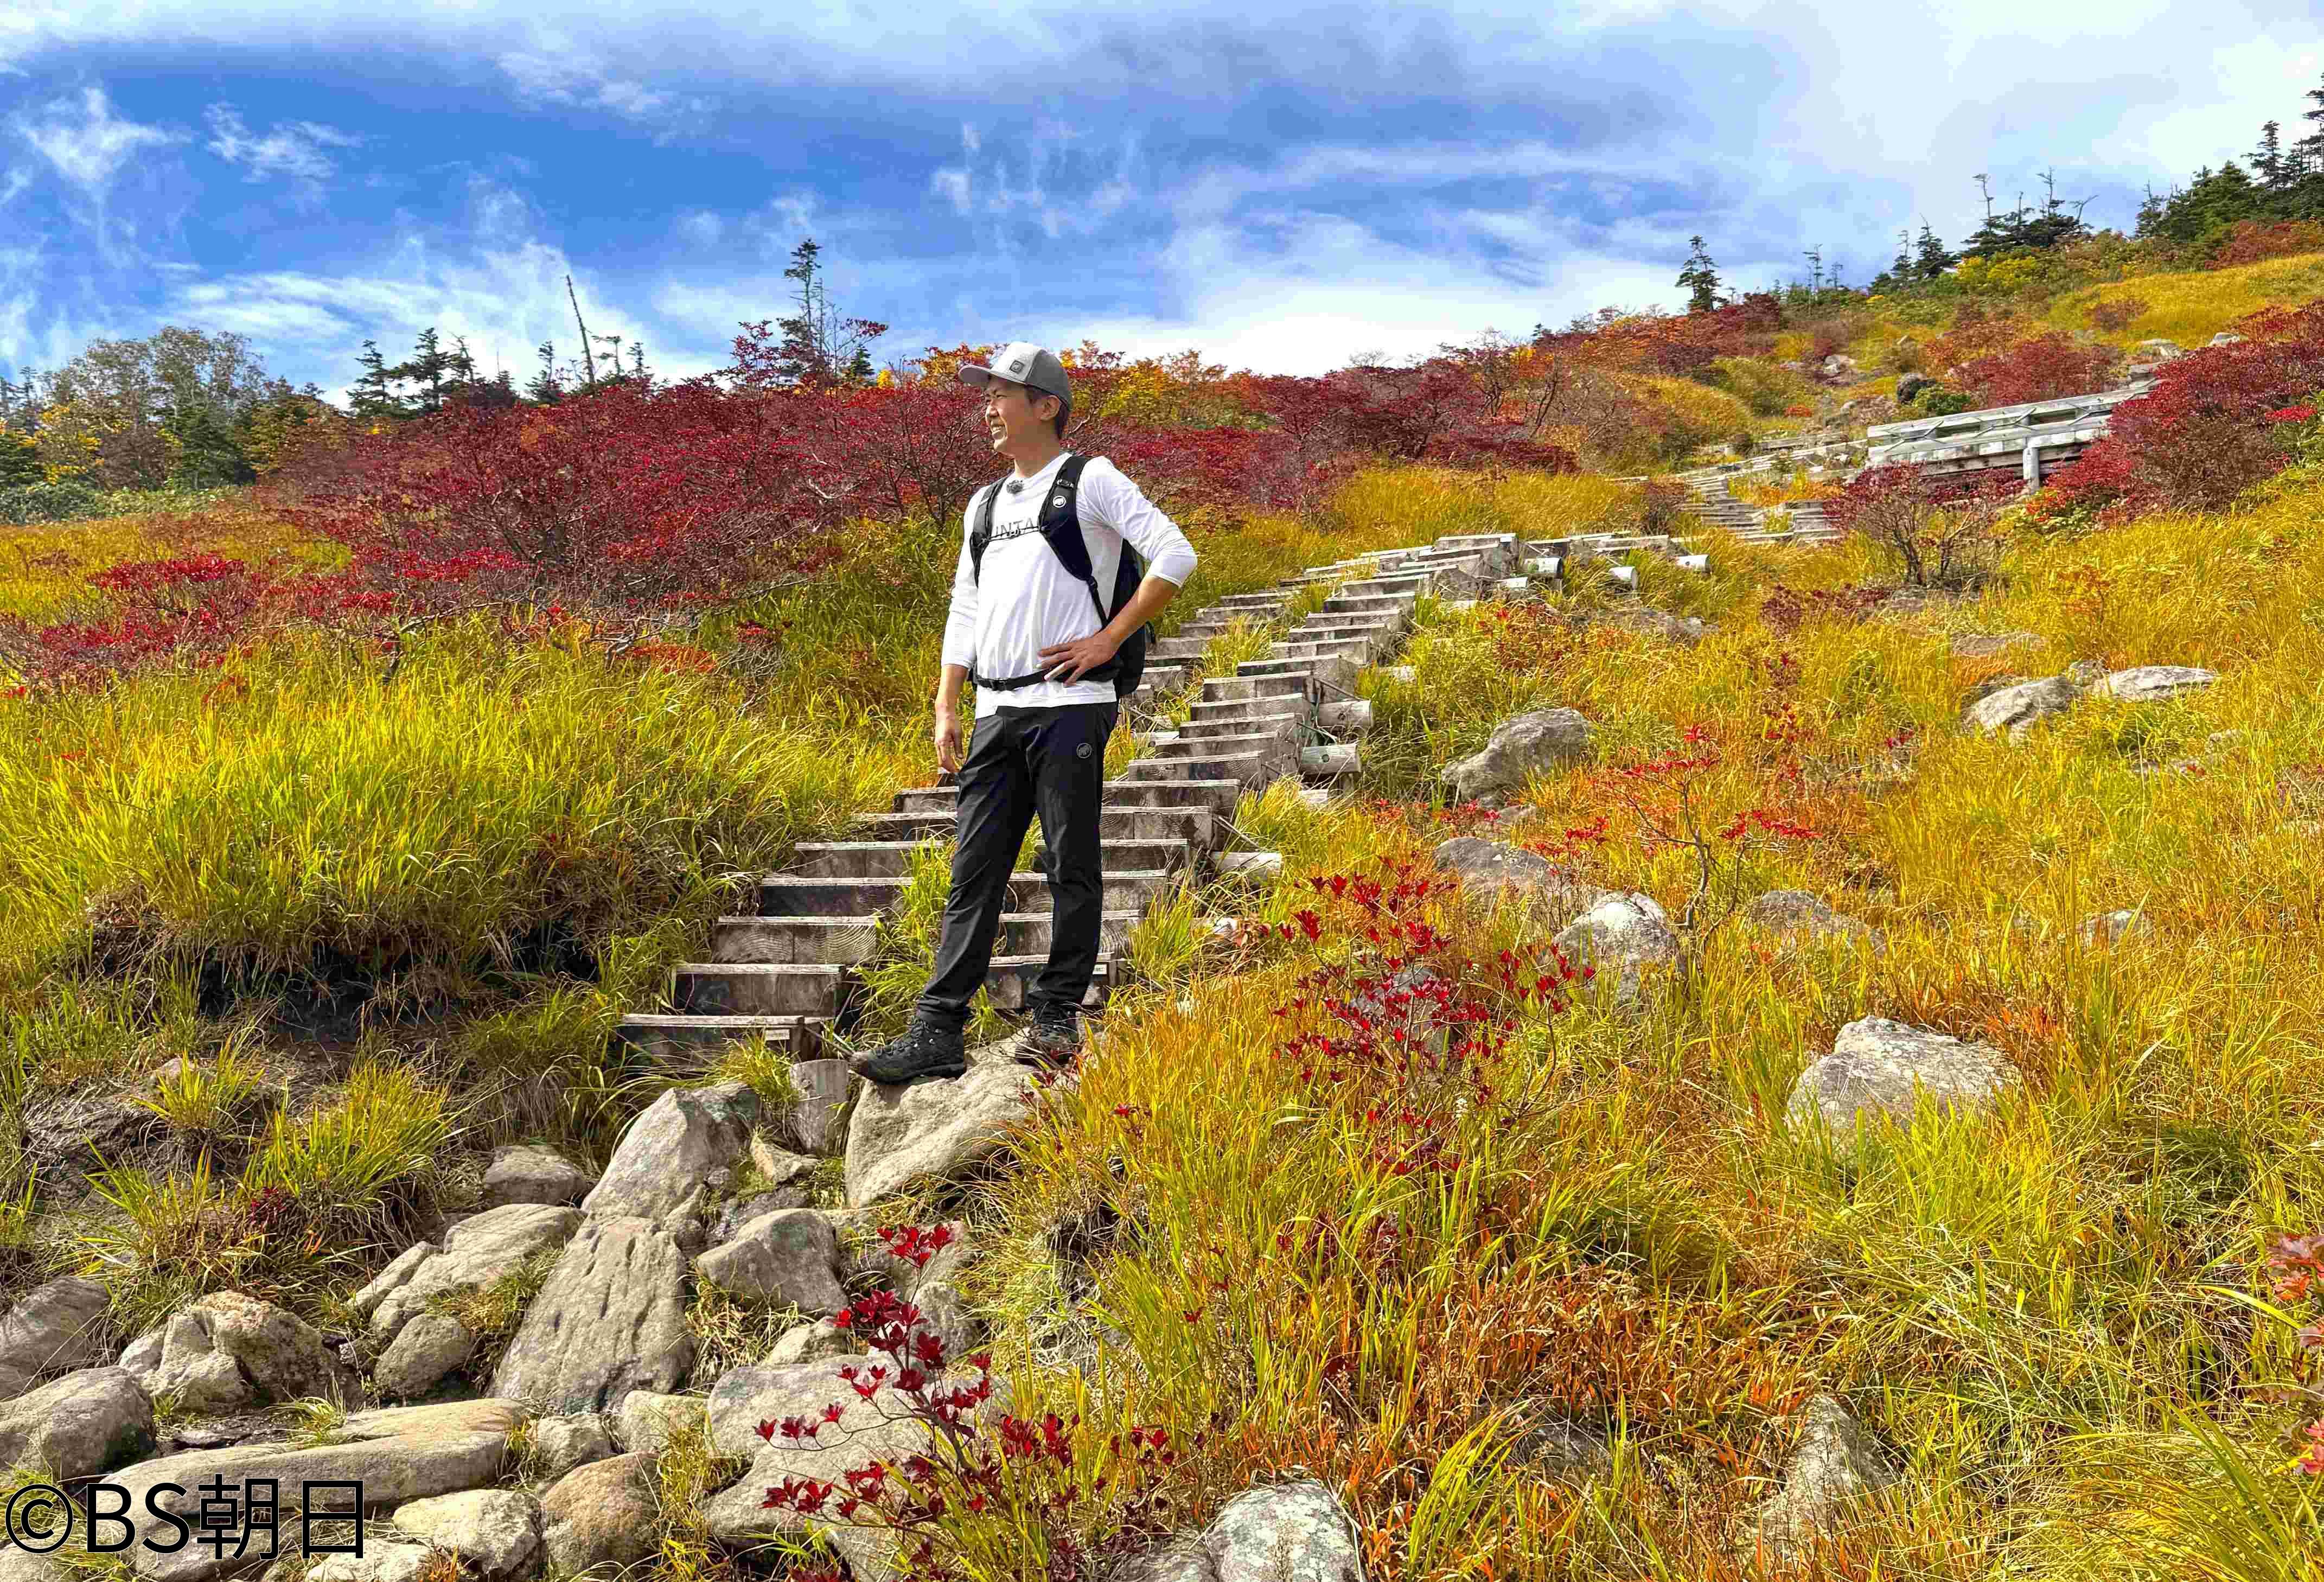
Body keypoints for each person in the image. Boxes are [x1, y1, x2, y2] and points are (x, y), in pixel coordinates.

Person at [851, 343, 1198, 1086]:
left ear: (1047, 406)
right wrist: (947, 700)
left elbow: (1175, 555)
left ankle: (1057, 1010)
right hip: (994, 709)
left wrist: (1109, 639)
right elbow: (965, 604)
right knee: (973, 871)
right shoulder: (982, 505)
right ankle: (938, 1029)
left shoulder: (1090, 479)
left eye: (1004, 392)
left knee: (1070, 859)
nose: (988, 406)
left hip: (1070, 705)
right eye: (985, 394)